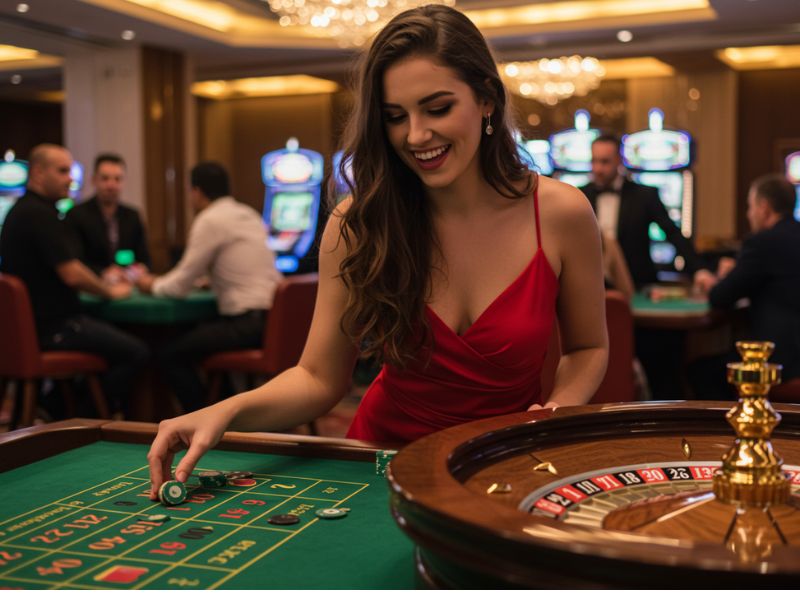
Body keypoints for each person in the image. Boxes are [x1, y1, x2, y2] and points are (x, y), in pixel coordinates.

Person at [147, 5, 608, 495]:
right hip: (379, 464)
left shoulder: (562, 212)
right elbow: (318, 378)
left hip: (499, 463)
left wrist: (559, 407)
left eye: (437, 108)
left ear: (487, 100)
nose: (415, 135)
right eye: (394, 117)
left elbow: (588, 347)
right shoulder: (358, 224)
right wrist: (227, 410)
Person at [0, 144, 149, 417]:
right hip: (54, 329)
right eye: (63, 171)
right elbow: (72, 273)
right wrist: (110, 292)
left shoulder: (26, 210)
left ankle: (59, 408)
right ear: (37, 172)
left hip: (34, 329)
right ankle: (78, 419)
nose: (70, 178)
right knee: (138, 352)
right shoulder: (39, 214)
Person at [136, 162, 283, 412]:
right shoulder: (248, 214)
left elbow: (178, 286)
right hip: (274, 323)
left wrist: (148, 283)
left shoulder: (210, 219)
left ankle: (205, 417)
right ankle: (223, 411)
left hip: (246, 324)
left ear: (196, 191)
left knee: (169, 355)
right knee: (197, 342)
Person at [689, 174, 800, 398]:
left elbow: (720, 297)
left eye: (750, 207)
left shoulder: (761, 242)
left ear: (763, 208)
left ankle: (731, 431)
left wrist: (717, 280)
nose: (749, 214)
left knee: (700, 372)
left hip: (780, 362)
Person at [580, 133, 714, 291]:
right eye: (594, 161)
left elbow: (672, 233)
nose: (598, 169)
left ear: (619, 160)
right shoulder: (580, 196)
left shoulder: (644, 195)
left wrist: (699, 269)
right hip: (592, 286)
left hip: (638, 284)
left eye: (605, 162)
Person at [66, 153, 151, 281]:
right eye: (105, 178)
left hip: (127, 285)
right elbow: (74, 261)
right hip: (90, 287)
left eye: (117, 179)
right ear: (94, 180)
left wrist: (132, 272)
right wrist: (104, 272)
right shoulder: (76, 214)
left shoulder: (132, 216)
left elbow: (145, 260)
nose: (111, 185)